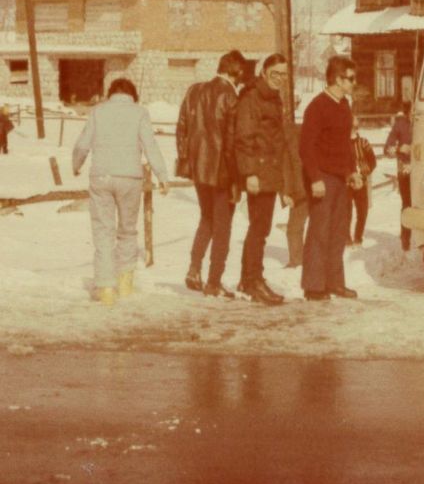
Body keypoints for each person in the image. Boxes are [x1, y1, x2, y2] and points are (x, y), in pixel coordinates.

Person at [71, 78, 170, 306]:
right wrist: (162, 175)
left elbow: (83, 144)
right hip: (130, 178)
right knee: (127, 230)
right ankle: (125, 282)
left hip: (101, 176)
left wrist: (76, 165)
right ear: (132, 95)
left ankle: (106, 287)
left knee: (103, 232)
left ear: (110, 93)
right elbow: (150, 145)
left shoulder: (98, 111)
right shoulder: (140, 112)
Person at [176, 49, 246, 298]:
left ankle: (194, 269)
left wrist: (186, 160)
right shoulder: (230, 96)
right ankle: (214, 281)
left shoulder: (195, 90)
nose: (242, 77)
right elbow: (230, 143)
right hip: (222, 172)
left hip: (199, 170)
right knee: (223, 227)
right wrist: (236, 179)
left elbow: (182, 126)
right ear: (234, 71)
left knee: (207, 218)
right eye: (241, 72)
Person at [300, 56, 362, 300]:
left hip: (340, 178)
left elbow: (345, 144)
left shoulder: (344, 105)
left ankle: (335, 283)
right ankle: (314, 287)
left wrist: (352, 171)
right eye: (350, 78)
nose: (353, 83)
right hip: (322, 178)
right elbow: (306, 147)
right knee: (319, 232)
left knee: (338, 232)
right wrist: (315, 178)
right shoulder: (317, 106)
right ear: (337, 79)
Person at [234, 53, 290, 306]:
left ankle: (251, 279)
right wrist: (250, 173)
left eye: (283, 74)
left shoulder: (273, 97)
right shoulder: (252, 98)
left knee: (261, 228)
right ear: (265, 72)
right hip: (259, 172)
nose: (279, 78)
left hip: (270, 171)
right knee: (258, 229)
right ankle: (252, 281)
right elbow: (244, 138)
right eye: (275, 73)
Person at [385, 102, 413, 250]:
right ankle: (406, 239)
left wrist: (412, 149)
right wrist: (394, 148)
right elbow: (388, 146)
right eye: (413, 110)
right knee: (407, 204)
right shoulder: (400, 124)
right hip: (405, 172)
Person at [281, 120, 308, 268]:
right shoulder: (298, 131)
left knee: (294, 228)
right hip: (313, 183)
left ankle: (297, 261)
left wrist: (287, 192)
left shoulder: (286, 137)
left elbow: (287, 167)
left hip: (300, 188)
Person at [348, 122, 378, 244]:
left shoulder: (363, 142)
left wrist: (365, 172)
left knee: (362, 211)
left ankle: (358, 237)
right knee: (346, 212)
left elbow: (373, 161)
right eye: (350, 127)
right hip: (347, 182)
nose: (352, 129)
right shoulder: (340, 143)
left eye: (355, 127)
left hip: (362, 180)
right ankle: (346, 239)